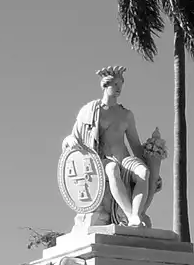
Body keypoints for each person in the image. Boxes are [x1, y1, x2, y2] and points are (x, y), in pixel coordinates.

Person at [64, 66, 158, 228]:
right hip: (100, 159)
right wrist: (69, 140)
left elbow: (135, 144)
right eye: (115, 84)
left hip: (125, 159)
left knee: (143, 172)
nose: (119, 88)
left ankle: (136, 214)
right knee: (112, 169)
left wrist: (151, 166)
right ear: (106, 86)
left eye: (120, 84)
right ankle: (129, 215)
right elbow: (74, 136)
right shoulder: (90, 111)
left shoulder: (126, 114)